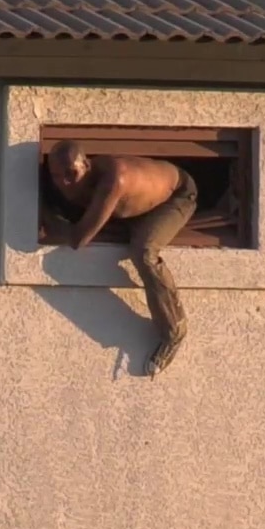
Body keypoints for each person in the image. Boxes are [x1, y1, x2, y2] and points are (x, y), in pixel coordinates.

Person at [42, 140, 198, 375]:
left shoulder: (114, 180)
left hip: (177, 194)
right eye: (56, 175)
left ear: (87, 165)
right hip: (139, 207)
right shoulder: (75, 181)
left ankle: (173, 332)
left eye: (71, 174)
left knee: (143, 251)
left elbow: (78, 239)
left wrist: (44, 215)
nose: (65, 182)